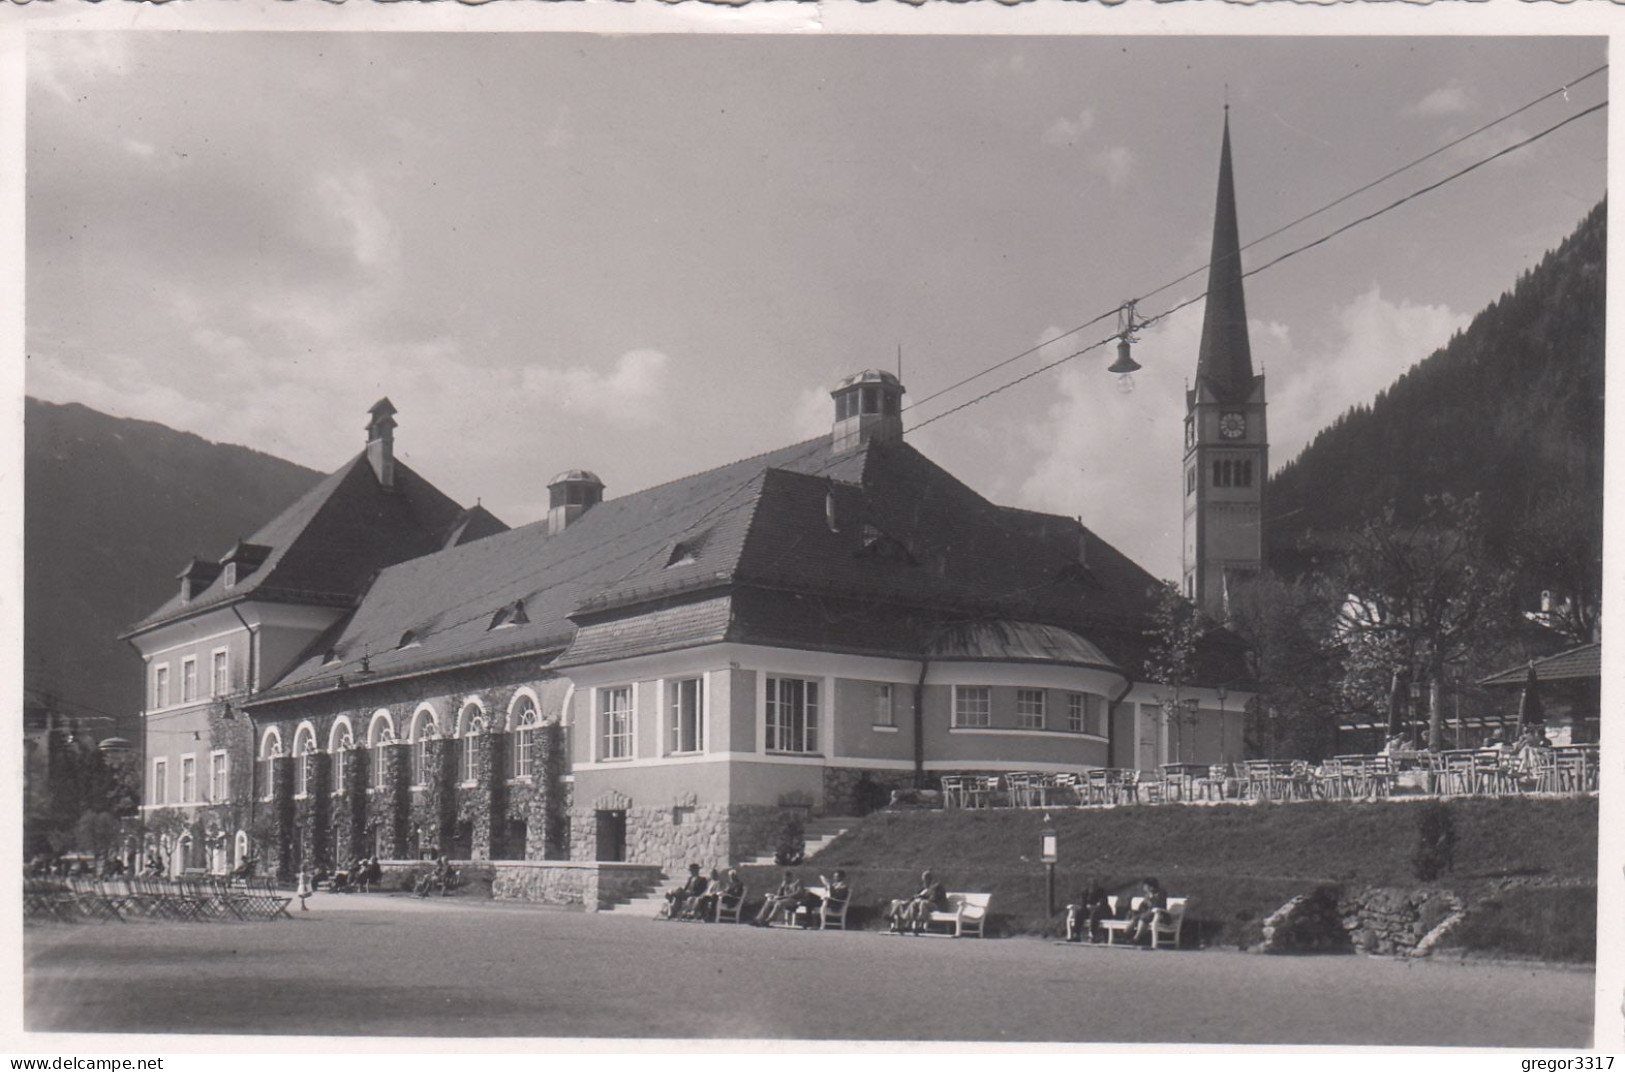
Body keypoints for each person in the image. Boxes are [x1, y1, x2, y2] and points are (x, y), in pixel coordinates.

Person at [888, 870, 947, 934]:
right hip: (926, 904)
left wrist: (922, 897)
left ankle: (920, 926)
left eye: (925, 880)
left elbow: (934, 898)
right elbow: (918, 895)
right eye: (923, 880)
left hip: (937, 906)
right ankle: (909, 926)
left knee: (922, 904)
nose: (924, 882)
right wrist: (913, 898)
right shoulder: (925, 887)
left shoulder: (937, 886)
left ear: (929, 879)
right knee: (912, 904)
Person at [1065, 879, 1111, 943]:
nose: (1093, 887)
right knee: (1079, 913)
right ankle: (1076, 935)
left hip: (1102, 912)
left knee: (1094, 914)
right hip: (1089, 911)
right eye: (1091, 886)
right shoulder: (1085, 892)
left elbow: (1103, 904)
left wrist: (1095, 906)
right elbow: (1083, 904)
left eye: (1094, 885)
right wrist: (1087, 906)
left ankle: (1093, 935)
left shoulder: (1102, 892)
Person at [1126, 877, 1167, 946]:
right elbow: (1143, 905)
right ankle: (1125, 934)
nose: (1144, 887)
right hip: (1148, 914)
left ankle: (1136, 938)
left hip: (1159, 915)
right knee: (1135, 918)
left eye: (1145, 886)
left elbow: (1157, 905)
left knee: (1143, 919)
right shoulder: (1148, 894)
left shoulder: (1161, 893)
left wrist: (1150, 899)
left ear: (1151, 887)